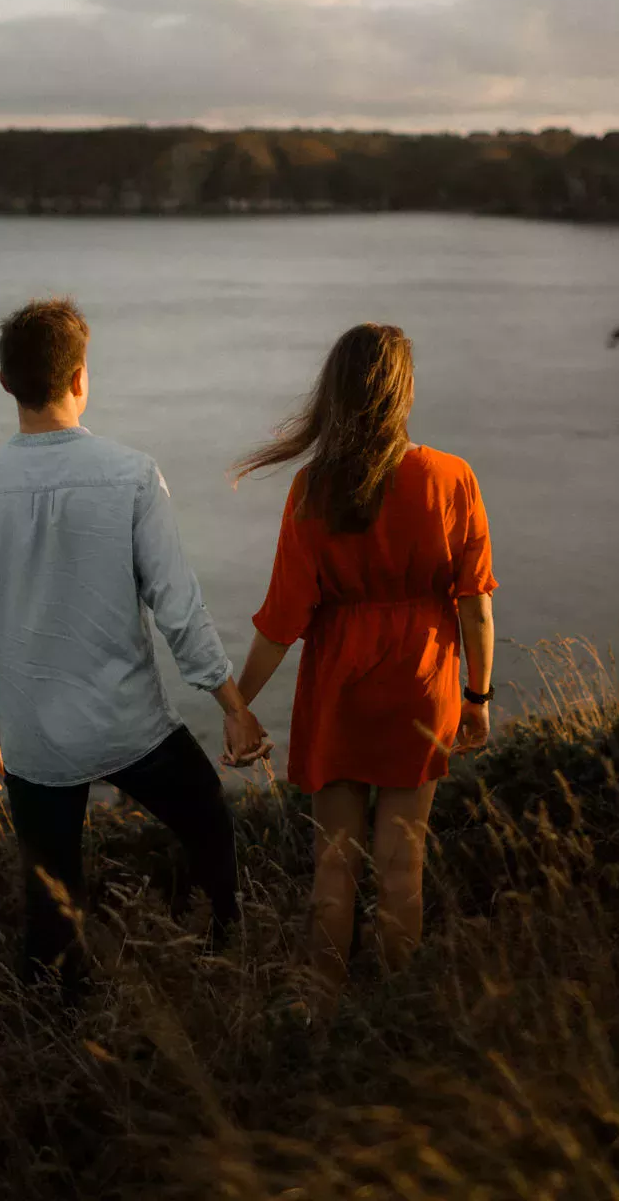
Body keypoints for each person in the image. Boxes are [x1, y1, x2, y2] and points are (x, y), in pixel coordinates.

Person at [0, 297, 271, 988]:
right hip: (130, 727)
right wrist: (231, 704)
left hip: (35, 742)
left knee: (50, 907)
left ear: (5, 384)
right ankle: (220, 956)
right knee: (207, 823)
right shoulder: (132, 477)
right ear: (81, 378)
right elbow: (178, 608)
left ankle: (53, 1037)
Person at [227, 322, 497, 998]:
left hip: (339, 688)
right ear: (402, 393)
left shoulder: (313, 492)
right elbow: (476, 606)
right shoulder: (452, 477)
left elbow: (281, 624)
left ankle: (324, 1005)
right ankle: (401, 1006)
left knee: (334, 864)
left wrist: (238, 703)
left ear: (335, 395)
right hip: (423, 682)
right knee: (403, 863)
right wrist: (479, 697)